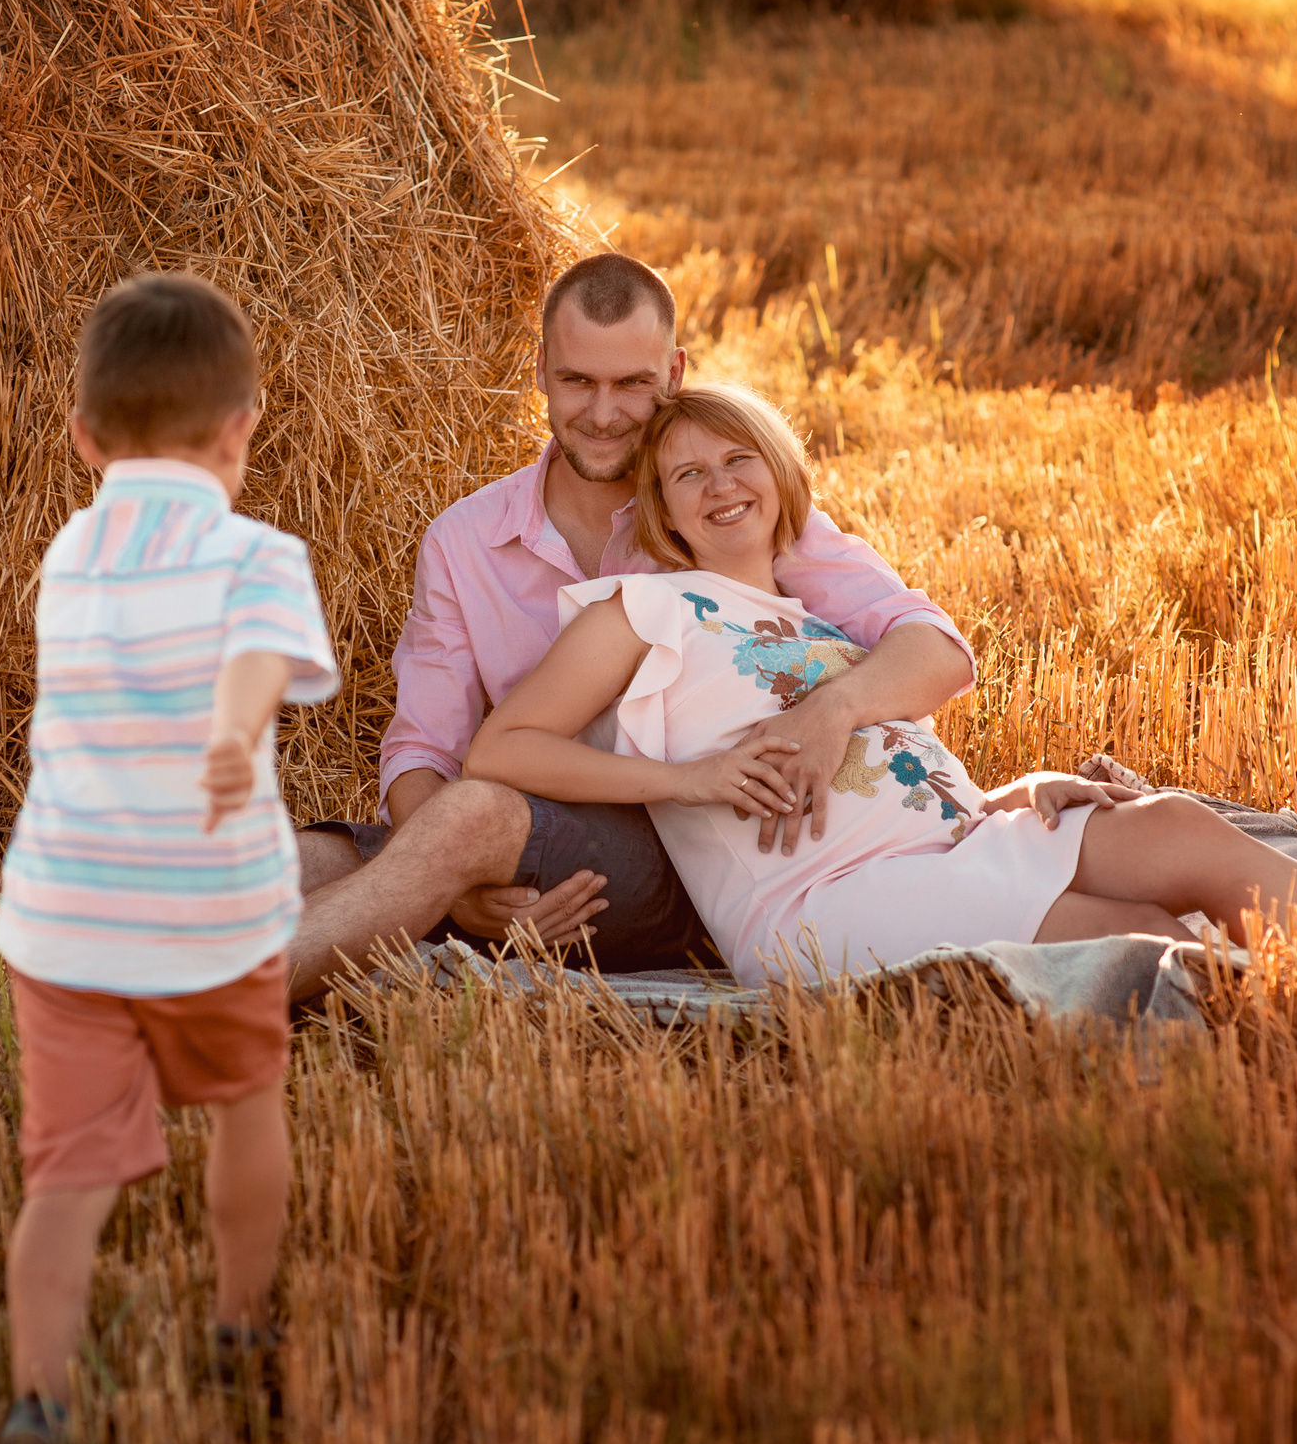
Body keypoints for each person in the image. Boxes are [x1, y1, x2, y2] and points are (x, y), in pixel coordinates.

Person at [464, 383, 1297, 986]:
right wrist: (690, 782)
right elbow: (501, 748)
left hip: (954, 844)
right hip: (822, 902)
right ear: (662, 510)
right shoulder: (642, 611)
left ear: (779, 472)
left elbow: (904, 723)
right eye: (687, 475)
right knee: (1147, 938)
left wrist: (1005, 795)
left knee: (1175, 828)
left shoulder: (819, 621)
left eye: (738, 460)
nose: (719, 487)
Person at [288, 253, 975, 997]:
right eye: (579, 381)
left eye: (632, 385)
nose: (605, 413)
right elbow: (424, 745)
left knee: (466, 820)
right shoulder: (466, 540)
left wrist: (832, 709)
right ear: (542, 368)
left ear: (674, 374)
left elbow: (932, 649)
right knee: (313, 858)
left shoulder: (728, 511)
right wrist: (457, 891)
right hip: (536, 836)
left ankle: (206, 1003)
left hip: (706, 852)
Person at [0, 274, 339, 1444]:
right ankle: (242, 1328)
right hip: (209, 914)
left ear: (83, 436)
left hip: (66, 917)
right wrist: (237, 731)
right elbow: (252, 656)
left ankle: (38, 1399)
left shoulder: (68, 553)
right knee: (247, 1107)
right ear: (243, 425)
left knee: (66, 1173)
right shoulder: (259, 554)